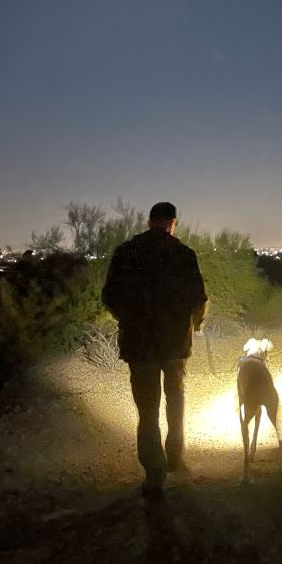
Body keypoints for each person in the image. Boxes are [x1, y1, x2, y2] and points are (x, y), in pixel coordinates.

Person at [102, 201, 208, 495]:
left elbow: (110, 296)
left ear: (149, 221)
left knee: (147, 409)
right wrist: (194, 325)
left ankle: (154, 472)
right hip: (175, 344)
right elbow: (198, 299)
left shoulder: (125, 253)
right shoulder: (184, 254)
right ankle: (175, 458)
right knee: (175, 400)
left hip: (139, 345)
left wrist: (129, 320)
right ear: (172, 223)